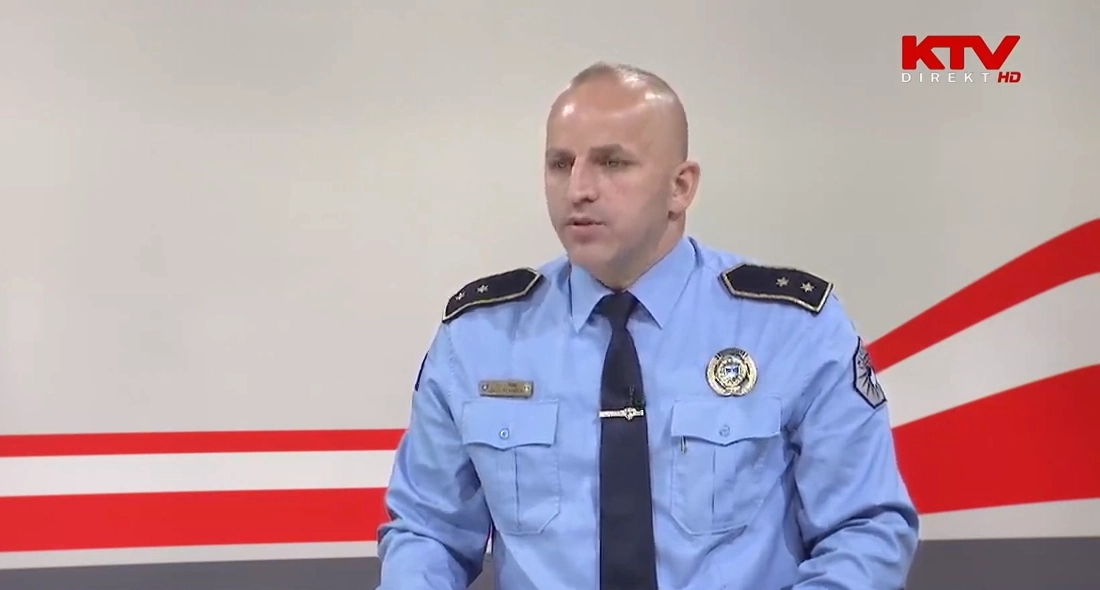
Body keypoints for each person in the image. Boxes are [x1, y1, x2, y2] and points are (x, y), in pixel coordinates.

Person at [376, 62, 920, 590]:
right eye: (561, 164)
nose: (578, 189)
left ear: (681, 187)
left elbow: (864, 530)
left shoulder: (792, 329)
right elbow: (428, 534)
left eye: (612, 163)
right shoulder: (479, 337)